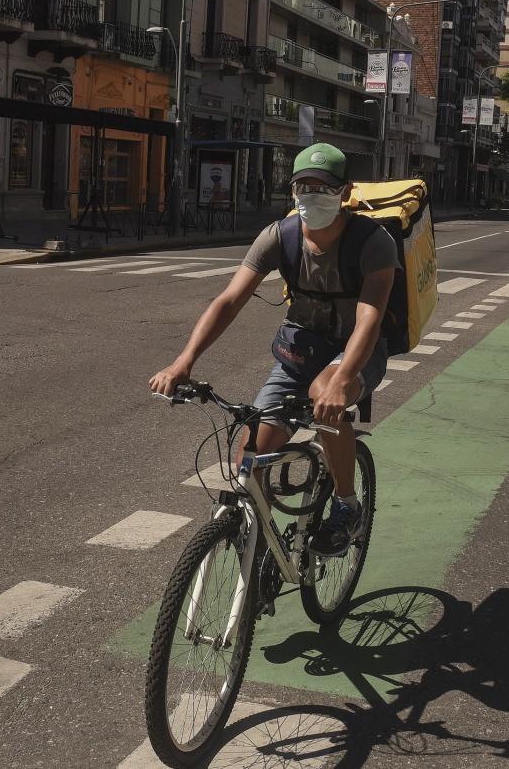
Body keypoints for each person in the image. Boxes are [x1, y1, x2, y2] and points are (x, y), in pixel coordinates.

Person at [149, 143, 398, 556]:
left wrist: (343, 381)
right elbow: (228, 301)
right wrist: (183, 362)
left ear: (345, 192)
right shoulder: (279, 236)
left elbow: (370, 318)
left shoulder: (374, 242)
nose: (312, 194)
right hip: (301, 348)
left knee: (324, 397)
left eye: (323, 186)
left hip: (358, 349)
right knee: (252, 447)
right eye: (304, 185)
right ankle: (258, 542)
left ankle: (346, 505)